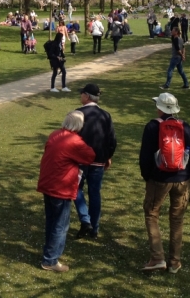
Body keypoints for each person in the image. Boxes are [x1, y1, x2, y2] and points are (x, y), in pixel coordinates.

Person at [138, 94, 190, 274]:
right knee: (177, 219)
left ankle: (157, 258)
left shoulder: (152, 126)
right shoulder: (185, 127)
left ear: (159, 108)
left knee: (151, 214)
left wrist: (147, 177)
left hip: (159, 178)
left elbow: (145, 157)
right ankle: (174, 262)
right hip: (182, 178)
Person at [36, 110, 96, 272]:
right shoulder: (74, 141)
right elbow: (90, 156)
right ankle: (50, 260)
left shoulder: (55, 134)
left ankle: (49, 253)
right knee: (60, 225)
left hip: (47, 183)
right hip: (60, 186)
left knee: (51, 221)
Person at [73, 84, 117, 240]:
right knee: (94, 193)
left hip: (80, 161)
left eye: (82, 95)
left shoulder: (78, 114)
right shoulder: (106, 115)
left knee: (76, 189)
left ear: (86, 96)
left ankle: (85, 219)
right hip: (98, 161)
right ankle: (94, 228)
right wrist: (107, 156)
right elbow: (112, 140)